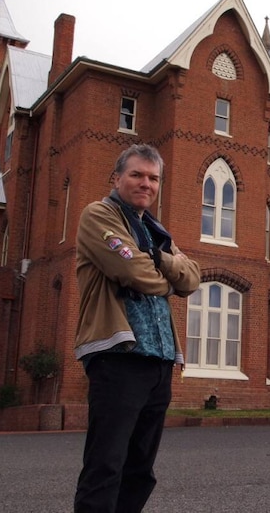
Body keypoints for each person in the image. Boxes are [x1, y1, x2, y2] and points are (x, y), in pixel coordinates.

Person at [73, 144, 201, 512]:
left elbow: (191, 277)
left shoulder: (154, 232)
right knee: (106, 465)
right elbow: (132, 271)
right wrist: (165, 278)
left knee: (140, 470)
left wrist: (159, 258)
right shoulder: (99, 215)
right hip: (118, 358)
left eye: (153, 177)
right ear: (117, 178)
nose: (146, 183)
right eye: (137, 175)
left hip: (159, 362)